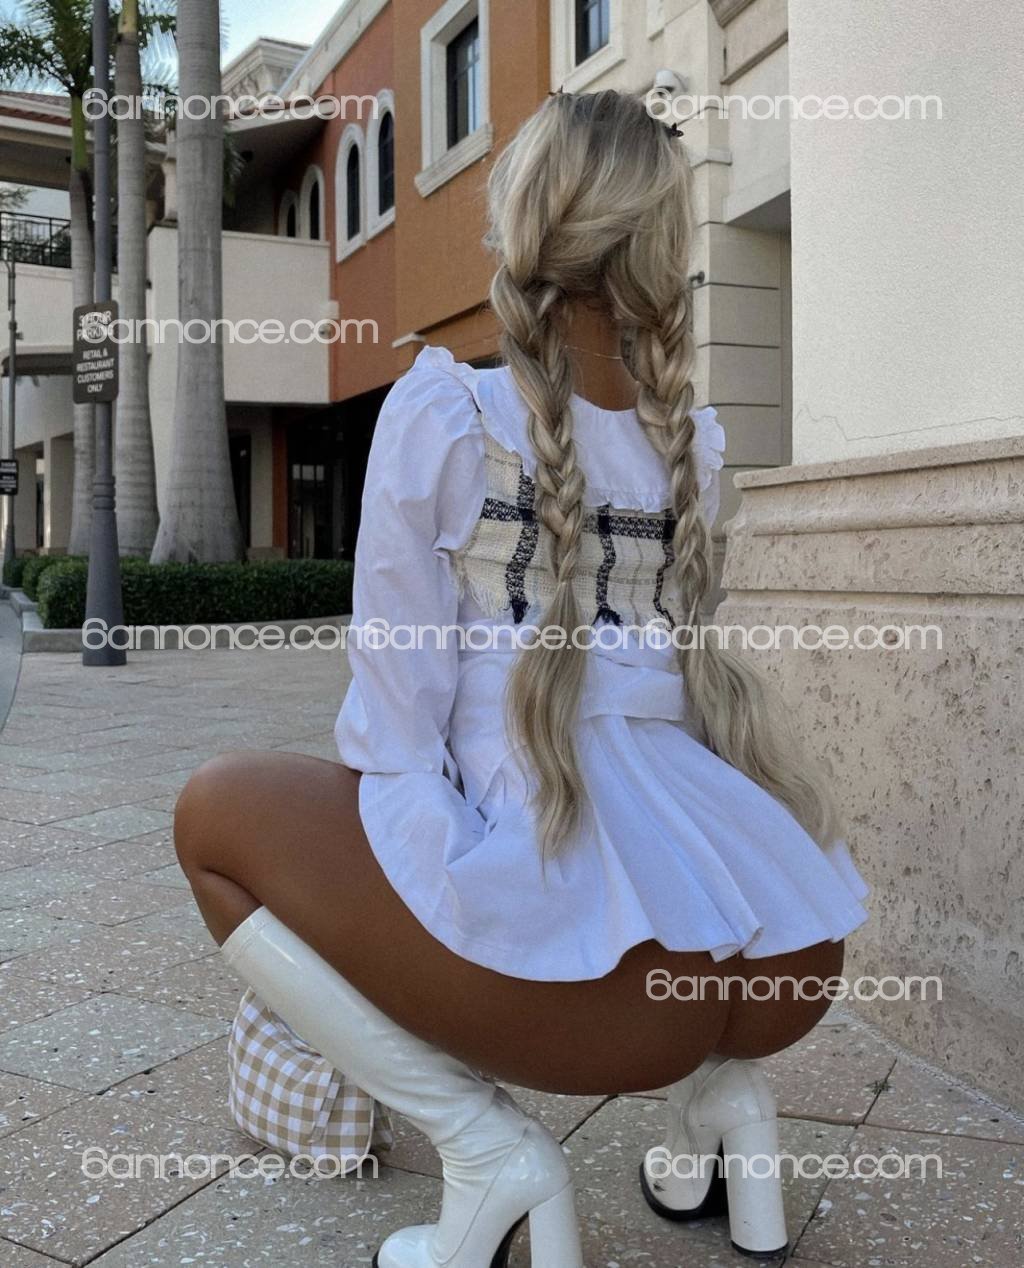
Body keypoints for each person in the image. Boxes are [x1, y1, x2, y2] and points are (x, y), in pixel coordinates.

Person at [175, 89, 869, 1268]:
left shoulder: (445, 412)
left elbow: (391, 731)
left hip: (596, 1000)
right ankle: (727, 1107)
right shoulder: (694, 450)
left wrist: (398, 897)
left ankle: (485, 1150)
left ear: (523, 227)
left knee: (215, 812)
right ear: (663, 251)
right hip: (780, 963)